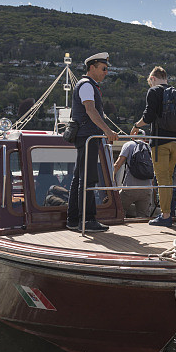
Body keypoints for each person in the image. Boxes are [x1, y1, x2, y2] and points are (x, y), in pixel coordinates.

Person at [66, 52, 119, 232]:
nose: (106, 72)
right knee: (87, 179)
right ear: (92, 67)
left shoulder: (88, 85)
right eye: (103, 68)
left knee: (79, 178)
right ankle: (87, 220)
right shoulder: (87, 86)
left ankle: (73, 219)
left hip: (85, 137)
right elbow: (90, 110)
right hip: (88, 137)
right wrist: (108, 131)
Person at [131, 66, 176, 228]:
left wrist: (136, 125)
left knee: (162, 180)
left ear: (153, 78)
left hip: (160, 142)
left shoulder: (154, 91)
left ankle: (166, 216)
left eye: (150, 82)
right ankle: (167, 212)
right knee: (168, 179)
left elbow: (148, 116)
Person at [113, 131, 154, 218]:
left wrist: (109, 178)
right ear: (145, 138)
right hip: (147, 190)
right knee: (143, 218)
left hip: (129, 189)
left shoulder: (129, 145)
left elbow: (117, 165)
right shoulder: (150, 147)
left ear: (132, 137)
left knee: (119, 212)